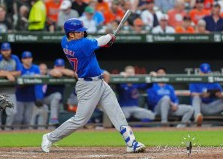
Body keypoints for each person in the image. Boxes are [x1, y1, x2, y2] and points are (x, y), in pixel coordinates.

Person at [41, 18, 146, 153]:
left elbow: (96, 44)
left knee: (116, 112)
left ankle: (131, 143)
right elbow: (101, 40)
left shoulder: (65, 41)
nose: (82, 33)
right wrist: (110, 37)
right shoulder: (81, 45)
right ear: (71, 34)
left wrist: (106, 42)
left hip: (100, 82)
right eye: (79, 32)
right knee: (80, 120)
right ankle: (50, 137)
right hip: (87, 86)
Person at [0, 42, 22, 130]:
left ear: (10, 50)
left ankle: (7, 130)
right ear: (1, 51)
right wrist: (7, 74)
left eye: (7, 50)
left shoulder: (15, 58)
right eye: (4, 50)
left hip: (11, 91)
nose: (6, 52)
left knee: (13, 112)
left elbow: (19, 72)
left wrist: (4, 73)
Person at [43, 58, 75, 127]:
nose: (59, 68)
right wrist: (63, 71)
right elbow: (56, 74)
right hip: (46, 98)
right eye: (58, 66)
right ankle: (53, 119)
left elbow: (72, 73)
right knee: (57, 95)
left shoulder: (65, 73)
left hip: (57, 101)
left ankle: (51, 128)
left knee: (54, 125)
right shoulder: (51, 71)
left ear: (64, 67)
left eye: (61, 66)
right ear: (54, 66)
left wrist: (62, 71)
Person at [14, 51, 41, 129]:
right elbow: (18, 80)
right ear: (22, 60)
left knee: (27, 120)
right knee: (18, 119)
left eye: (29, 58)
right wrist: (31, 75)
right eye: (25, 58)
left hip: (31, 97)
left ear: (32, 59)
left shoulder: (35, 68)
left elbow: (39, 80)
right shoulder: (19, 67)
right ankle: (15, 135)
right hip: (19, 97)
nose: (28, 60)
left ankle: (24, 138)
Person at [30, 63, 49, 129]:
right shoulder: (33, 76)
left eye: (45, 69)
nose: (43, 71)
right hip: (33, 103)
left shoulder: (48, 78)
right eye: (41, 69)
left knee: (41, 127)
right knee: (31, 125)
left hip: (43, 103)